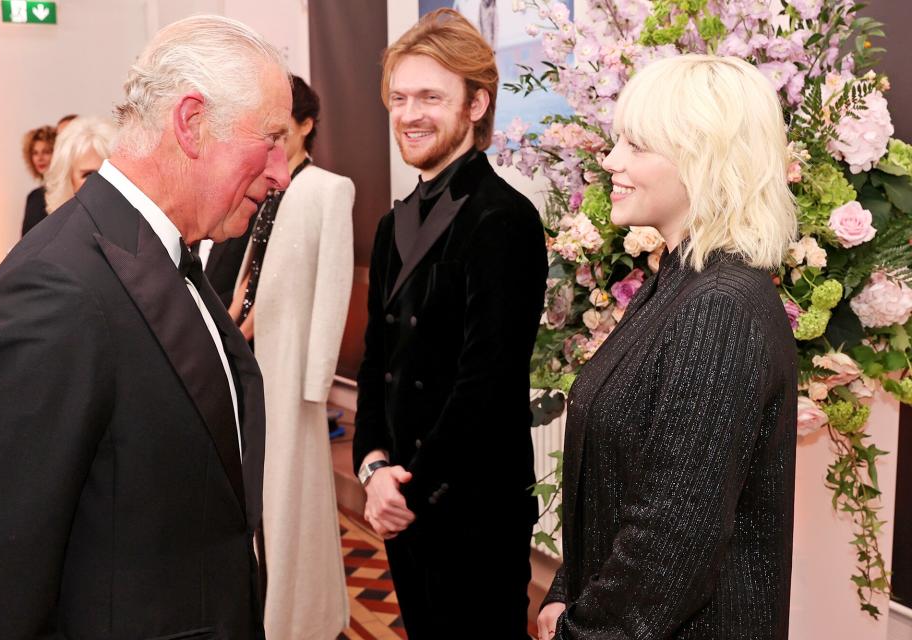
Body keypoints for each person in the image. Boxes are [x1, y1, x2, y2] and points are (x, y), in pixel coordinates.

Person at [0, 14, 291, 639]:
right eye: (269, 139)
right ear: (191, 122)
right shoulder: (55, 292)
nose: (281, 173)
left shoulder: (160, 253)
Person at [536, 54, 799, 640]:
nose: (611, 161)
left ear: (702, 160)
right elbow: (621, 481)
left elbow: (672, 539)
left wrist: (580, 630)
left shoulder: (721, 305)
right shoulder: (680, 281)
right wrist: (565, 589)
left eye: (636, 144)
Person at [352, 9, 548, 639]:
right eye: (400, 98)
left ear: (475, 103)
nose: (410, 114)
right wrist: (371, 467)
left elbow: (485, 382)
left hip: (473, 508)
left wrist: (405, 489)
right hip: (403, 501)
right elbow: (376, 360)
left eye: (431, 97)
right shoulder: (391, 224)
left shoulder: (504, 220)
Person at [229, 74, 355, 640]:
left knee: (292, 498)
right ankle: (265, 607)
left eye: (284, 128)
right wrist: (233, 321)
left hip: (293, 367)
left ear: (307, 124)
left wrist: (316, 381)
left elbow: (334, 287)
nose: (274, 143)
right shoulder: (270, 184)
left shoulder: (330, 188)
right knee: (258, 492)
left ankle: (302, 618)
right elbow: (253, 268)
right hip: (251, 355)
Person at [43, 116, 116, 214]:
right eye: (89, 174)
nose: (101, 181)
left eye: (109, 172)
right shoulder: (58, 228)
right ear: (67, 180)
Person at [20, 124, 56, 236]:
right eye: (35, 153)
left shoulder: (67, 192)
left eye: (46, 152)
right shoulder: (33, 197)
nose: (40, 158)